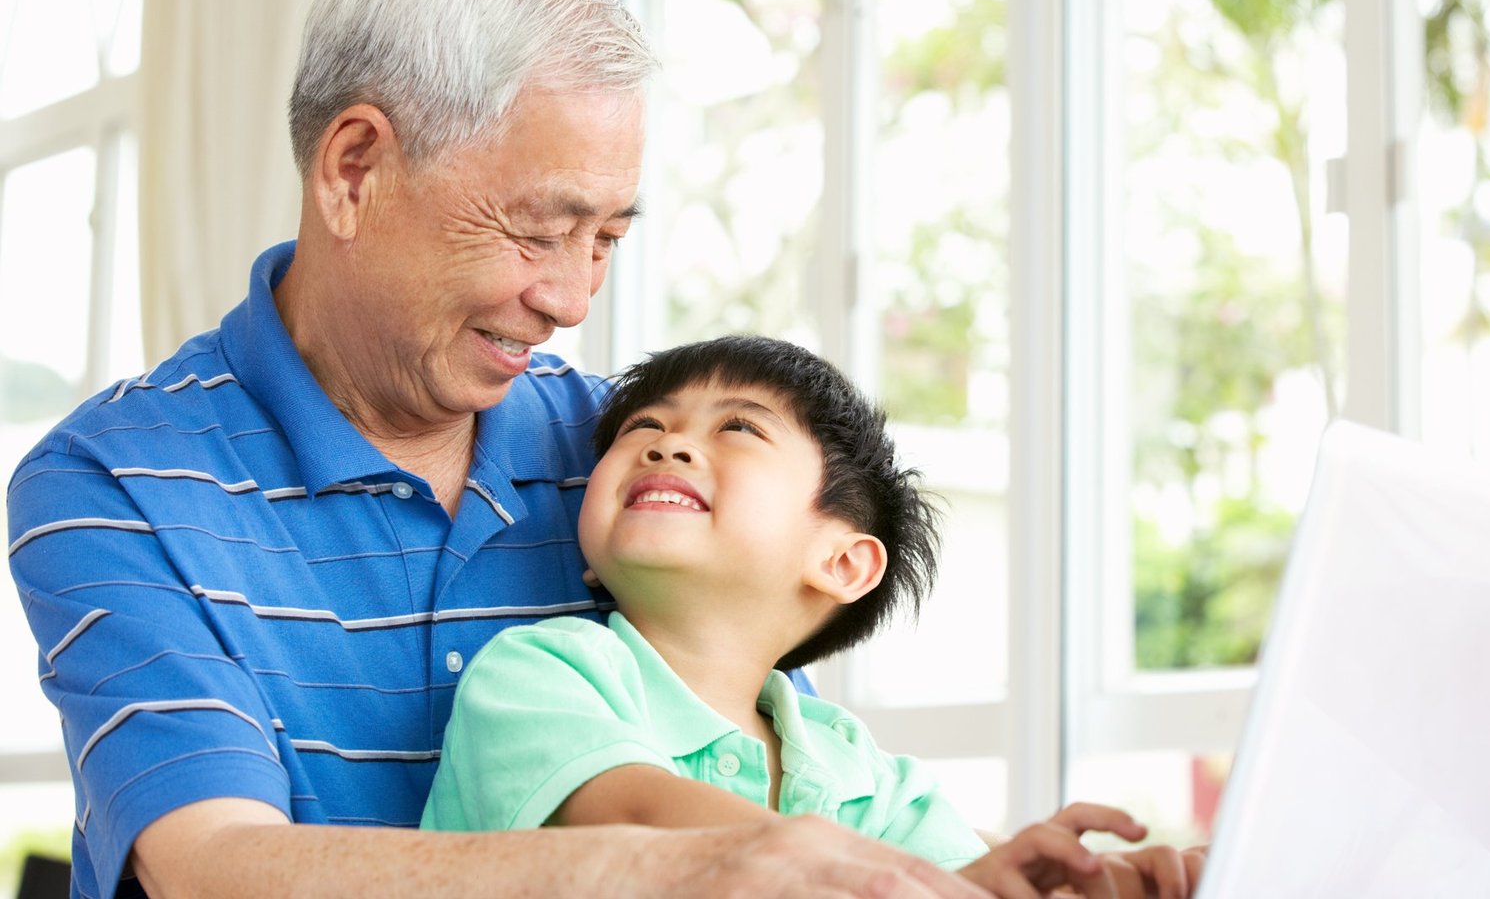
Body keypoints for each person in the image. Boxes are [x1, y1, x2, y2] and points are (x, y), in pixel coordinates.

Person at [7, 0, 1192, 899]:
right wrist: (674, 866)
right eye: (538, 230)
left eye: (608, 239)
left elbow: (769, 787)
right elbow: (215, 862)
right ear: (355, 169)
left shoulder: (628, 456)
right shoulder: (113, 482)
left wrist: (965, 882)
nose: (571, 300)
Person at [422, 336, 1204, 899]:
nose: (670, 447)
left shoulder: (859, 775)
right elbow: (633, 821)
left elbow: (950, 881)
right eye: (644, 428)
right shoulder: (541, 675)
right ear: (590, 555)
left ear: (841, 564)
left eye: (737, 427)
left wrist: (1091, 882)